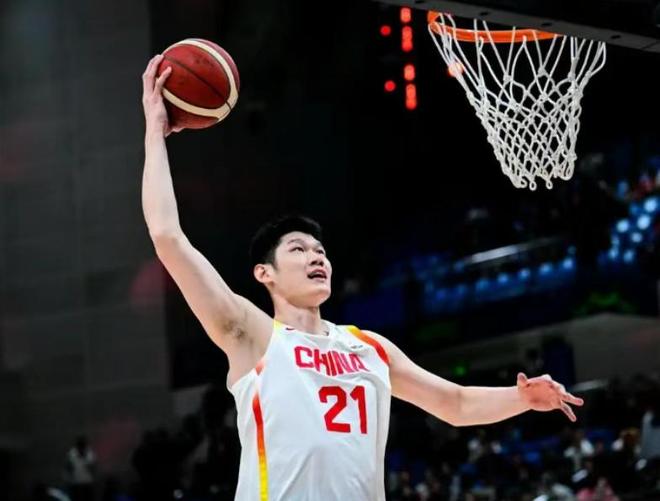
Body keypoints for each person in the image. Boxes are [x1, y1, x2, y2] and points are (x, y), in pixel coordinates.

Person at [141, 54, 585, 501]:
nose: (316, 257)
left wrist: (521, 398)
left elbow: (454, 403)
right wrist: (155, 131)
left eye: (320, 250)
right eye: (298, 249)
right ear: (264, 273)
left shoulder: (369, 348)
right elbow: (167, 236)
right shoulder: (253, 336)